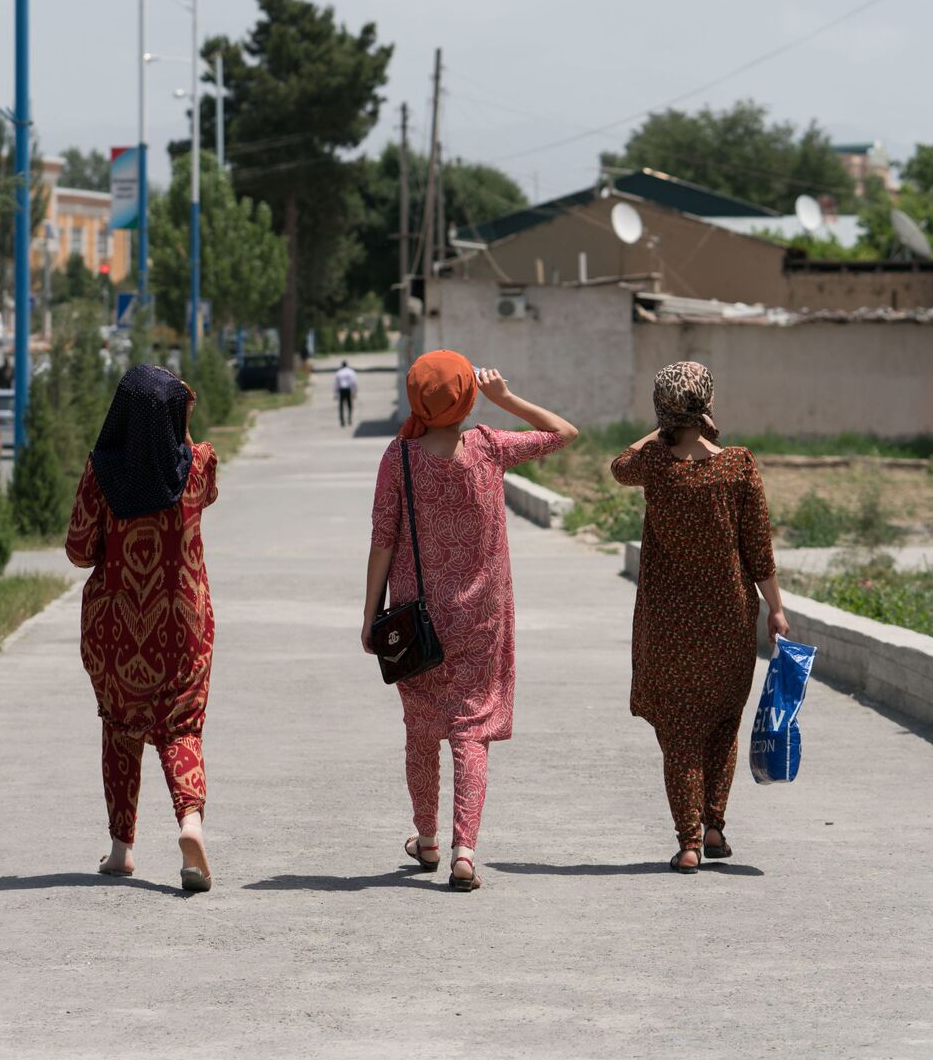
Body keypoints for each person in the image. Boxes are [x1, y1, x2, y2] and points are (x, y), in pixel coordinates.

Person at [362, 351, 578, 892]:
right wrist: (505, 398)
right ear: (467, 396)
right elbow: (563, 433)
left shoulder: (400, 457)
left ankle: (426, 839)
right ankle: (464, 851)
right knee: (470, 731)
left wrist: (370, 617)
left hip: (417, 622)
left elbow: (383, 540)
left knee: (421, 729)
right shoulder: (487, 446)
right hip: (482, 617)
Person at [610, 360, 787, 875]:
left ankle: (688, 843)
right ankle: (714, 826)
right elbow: (759, 549)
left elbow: (619, 464)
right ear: (708, 405)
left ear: (663, 410)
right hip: (728, 620)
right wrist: (776, 608)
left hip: (667, 624)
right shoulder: (738, 465)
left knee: (680, 732)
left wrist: (663, 427)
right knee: (720, 727)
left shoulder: (654, 465)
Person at [65, 365, 220, 892]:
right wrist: (181, 433)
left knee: (120, 725)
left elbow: (78, 551)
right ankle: (190, 825)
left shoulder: (101, 473)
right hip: (183, 622)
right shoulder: (196, 465)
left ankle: (121, 849)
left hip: (114, 626)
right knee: (181, 726)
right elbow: (206, 493)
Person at [334, 360, 358, 427]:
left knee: (341, 406)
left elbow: (336, 384)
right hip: (348, 389)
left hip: (341, 390)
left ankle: (342, 421)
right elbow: (354, 382)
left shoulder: (339, 372)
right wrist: (355, 391)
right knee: (349, 405)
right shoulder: (351, 372)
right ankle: (349, 418)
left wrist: (335, 393)